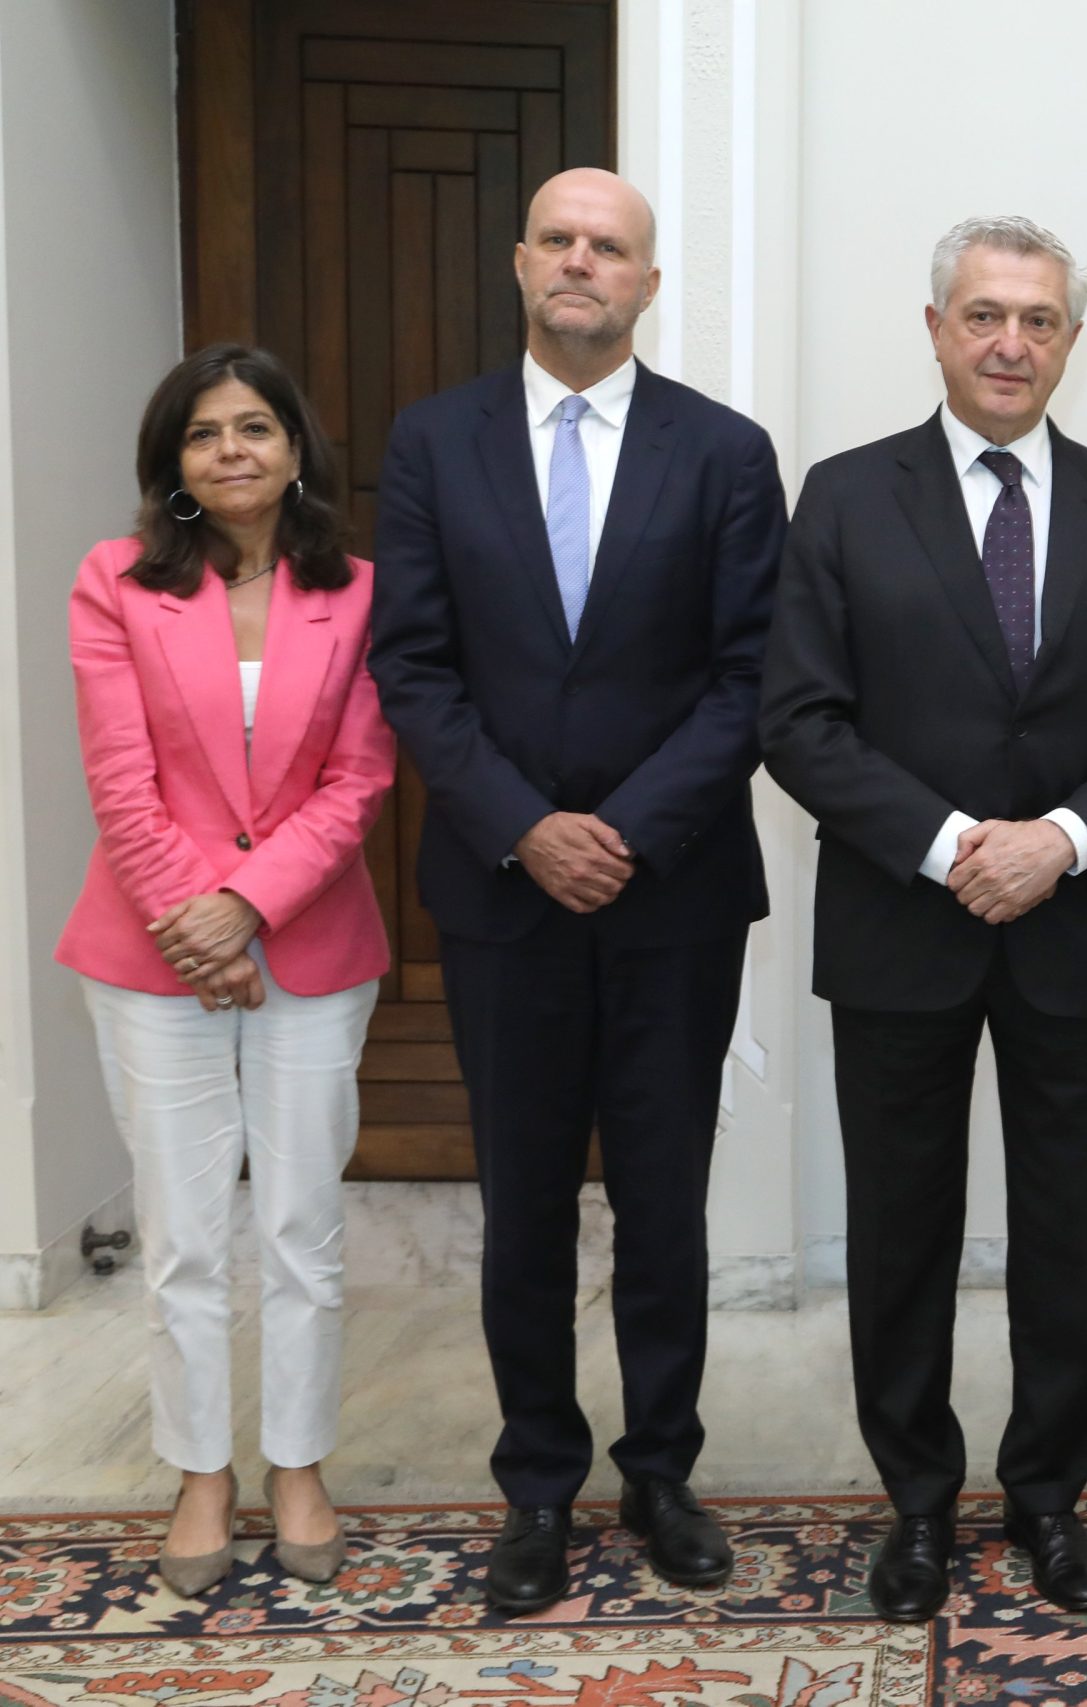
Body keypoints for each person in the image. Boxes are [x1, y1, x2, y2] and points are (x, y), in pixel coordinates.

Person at [760, 215, 1087, 1623]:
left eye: (1039, 320)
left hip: (1074, 932)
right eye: (984, 315)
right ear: (937, 328)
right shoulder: (845, 496)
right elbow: (799, 718)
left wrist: (1058, 844)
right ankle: (915, 1503)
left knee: (1065, 1228)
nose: (1011, 343)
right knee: (902, 1229)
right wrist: (958, 846)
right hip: (902, 924)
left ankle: (1047, 1498)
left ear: (1071, 340)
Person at [368, 168, 786, 1613]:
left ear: (648, 285)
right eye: (558, 238)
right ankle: (537, 1484)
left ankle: (661, 1469)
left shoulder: (725, 452)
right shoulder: (433, 442)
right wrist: (527, 826)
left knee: (665, 1202)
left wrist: (623, 829)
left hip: (673, 894)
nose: (580, 262)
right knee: (527, 1201)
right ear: (518, 262)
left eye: (609, 247)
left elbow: (753, 677)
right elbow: (412, 664)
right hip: (502, 892)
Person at [59, 345, 394, 1596]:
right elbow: (118, 773)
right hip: (151, 955)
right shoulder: (113, 581)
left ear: (297, 449)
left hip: (313, 945)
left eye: (255, 427)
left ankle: (297, 1463)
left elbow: (360, 776)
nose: (232, 450)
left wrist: (249, 907)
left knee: (303, 1225)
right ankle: (202, 1471)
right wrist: (194, 923)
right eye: (204, 434)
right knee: (184, 1233)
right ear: (173, 463)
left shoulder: (360, 593)